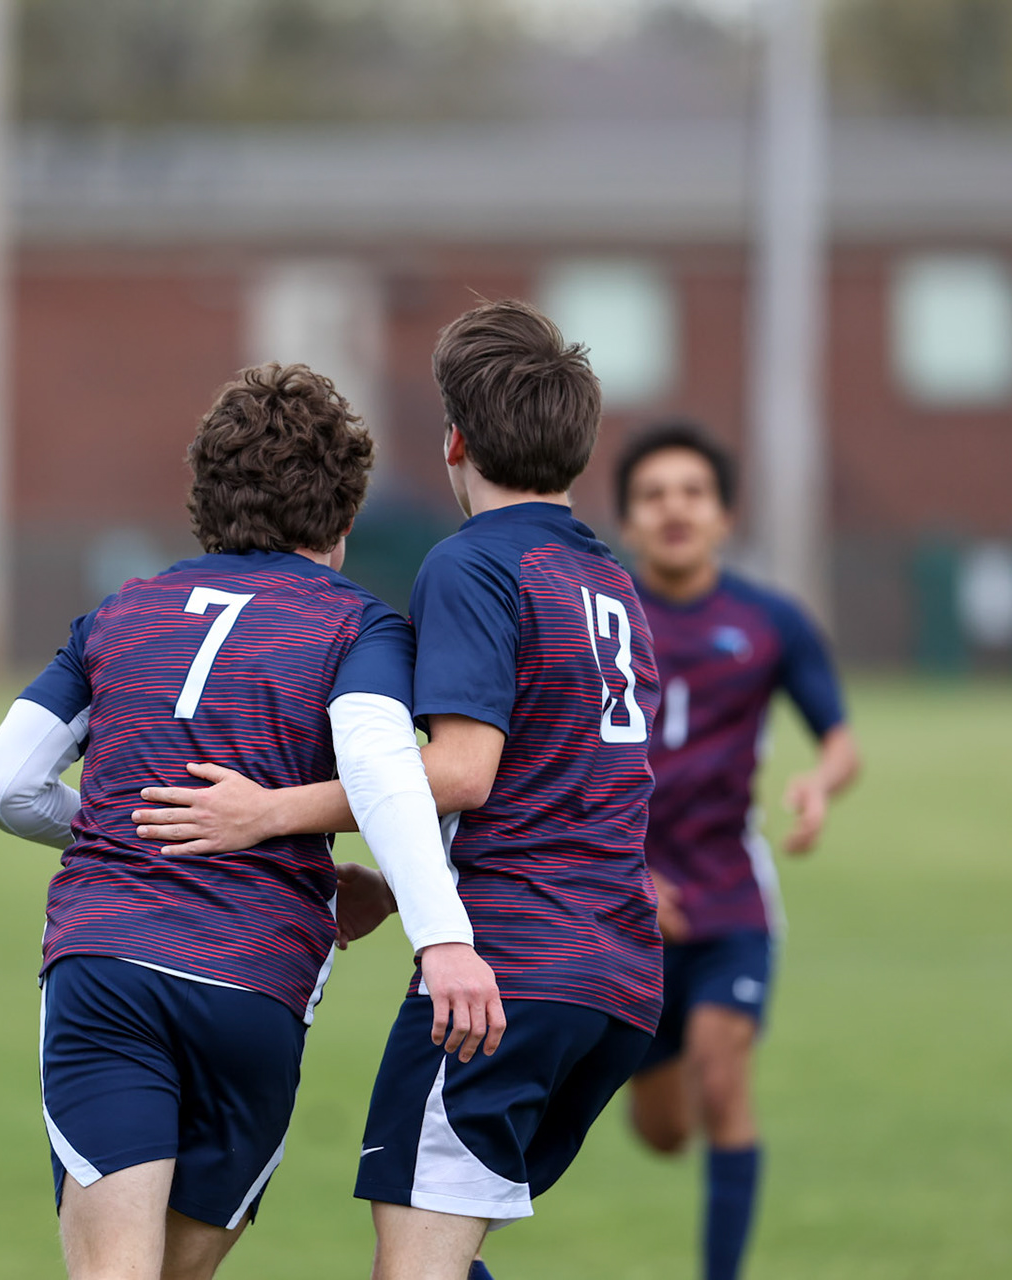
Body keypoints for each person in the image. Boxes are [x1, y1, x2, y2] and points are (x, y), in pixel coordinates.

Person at [130, 301, 664, 1280]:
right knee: (444, 1253)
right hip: (617, 981)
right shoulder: (612, 582)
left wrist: (270, 809)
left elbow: (463, 768)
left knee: (414, 1264)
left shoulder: (472, 563)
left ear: (455, 438)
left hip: (508, 970)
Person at [0, 363, 502, 1280]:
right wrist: (438, 932)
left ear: (205, 499)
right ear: (343, 517)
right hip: (251, 988)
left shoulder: (119, 613)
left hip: (108, 973)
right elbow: (380, 771)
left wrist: (124, 830)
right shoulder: (362, 628)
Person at [614, 421, 862, 1280]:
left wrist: (818, 787)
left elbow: (841, 739)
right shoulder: (604, 623)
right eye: (653, 495)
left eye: (693, 492)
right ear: (628, 522)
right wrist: (626, 871)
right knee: (663, 1131)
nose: (674, 508)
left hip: (729, 897)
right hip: (621, 902)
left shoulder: (769, 622)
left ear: (725, 515)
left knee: (722, 1084)